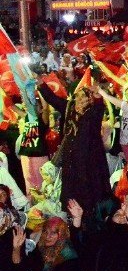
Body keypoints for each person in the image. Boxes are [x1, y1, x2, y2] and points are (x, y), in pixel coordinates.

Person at [36, 81, 111, 214]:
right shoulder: (68, 109)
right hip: (71, 161)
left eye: (83, 96)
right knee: (71, 192)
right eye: (77, 95)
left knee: (88, 192)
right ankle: (73, 217)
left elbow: (99, 109)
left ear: (89, 98)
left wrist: (98, 97)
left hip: (88, 162)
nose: (79, 98)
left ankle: (89, 217)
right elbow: (52, 99)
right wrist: (41, 84)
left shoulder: (93, 112)